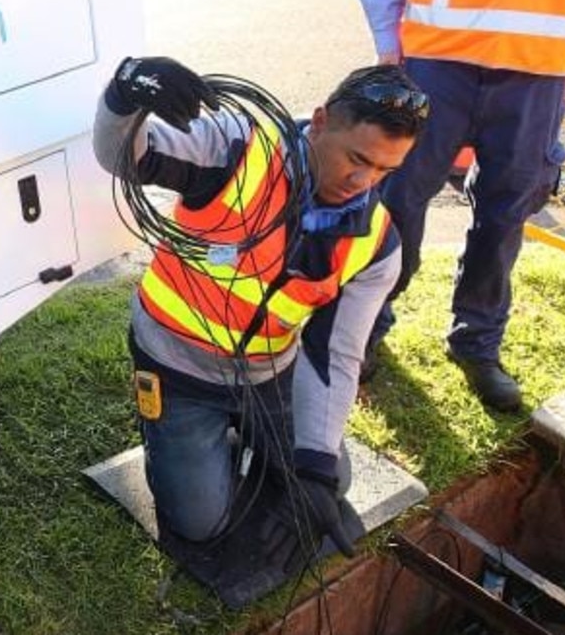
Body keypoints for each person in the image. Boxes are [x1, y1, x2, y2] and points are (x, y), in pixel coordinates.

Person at [93, 58, 428, 560]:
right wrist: (124, 95)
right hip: (176, 366)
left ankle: (248, 442)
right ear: (319, 123)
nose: (364, 180)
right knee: (199, 523)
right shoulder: (237, 148)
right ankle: (174, 440)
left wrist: (313, 472)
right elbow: (124, 157)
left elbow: (335, 354)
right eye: (357, 157)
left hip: (268, 375)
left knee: (332, 478)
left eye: (385, 170)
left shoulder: (378, 244)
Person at [359, 0, 565, 412]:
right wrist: (387, 41)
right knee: (396, 200)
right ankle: (367, 327)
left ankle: (477, 343)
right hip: (437, 65)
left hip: (537, 73)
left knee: (505, 215)